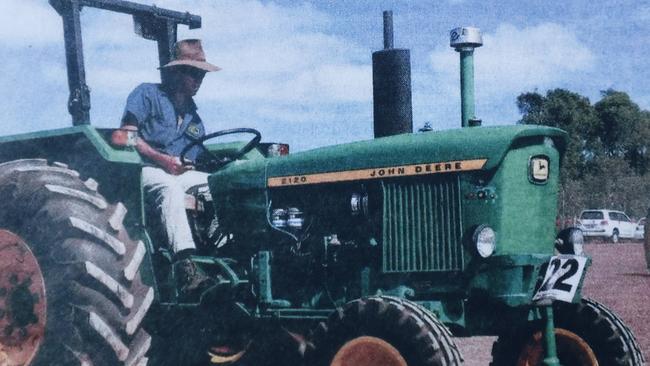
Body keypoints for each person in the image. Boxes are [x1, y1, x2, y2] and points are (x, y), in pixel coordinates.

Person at [115, 39, 220, 293]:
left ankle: (222, 252)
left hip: (179, 172)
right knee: (169, 186)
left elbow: (194, 158)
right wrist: (162, 160)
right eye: (193, 72)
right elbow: (123, 136)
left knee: (218, 186)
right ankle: (186, 266)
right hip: (144, 170)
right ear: (176, 72)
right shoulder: (147, 94)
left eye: (202, 74)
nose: (199, 79)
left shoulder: (195, 117)